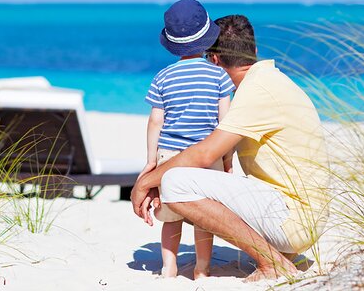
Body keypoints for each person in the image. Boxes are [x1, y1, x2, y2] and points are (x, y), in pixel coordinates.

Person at [132, 14, 330, 282]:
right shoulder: (269, 80)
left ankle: (273, 264)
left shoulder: (256, 91)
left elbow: (204, 154)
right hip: (299, 216)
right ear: (254, 51)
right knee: (186, 179)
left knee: (175, 183)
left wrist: (145, 182)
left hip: (291, 220)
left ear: (213, 60)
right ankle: (279, 256)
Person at [141, 0, 236, 279]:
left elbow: (155, 121)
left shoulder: (163, 77)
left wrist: (151, 161)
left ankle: (168, 268)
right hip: (207, 154)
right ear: (207, 40)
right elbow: (225, 122)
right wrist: (228, 160)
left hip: (170, 156)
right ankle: (201, 269)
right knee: (203, 217)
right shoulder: (218, 75)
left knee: (171, 216)